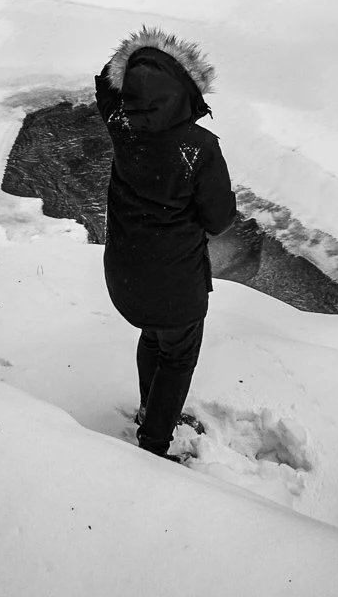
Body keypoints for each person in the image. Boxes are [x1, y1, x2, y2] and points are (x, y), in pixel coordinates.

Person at [95, 26, 237, 460]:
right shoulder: (198, 147)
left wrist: (132, 59)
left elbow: (104, 84)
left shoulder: (121, 123)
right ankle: (154, 446)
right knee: (177, 356)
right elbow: (220, 218)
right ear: (185, 92)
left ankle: (148, 412)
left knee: (154, 339)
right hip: (175, 284)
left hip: (126, 275)